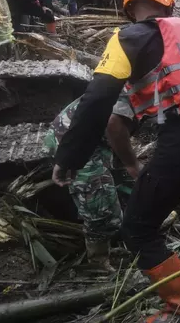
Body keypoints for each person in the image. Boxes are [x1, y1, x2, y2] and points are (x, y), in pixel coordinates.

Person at [50, 0, 180, 322]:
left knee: (137, 228)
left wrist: (70, 156)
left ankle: (179, 307)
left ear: (128, 7)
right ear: (170, 2)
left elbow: (97, 100)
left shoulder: (126, 38)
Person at [43, 94, 140, 271]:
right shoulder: (140, 89)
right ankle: (98, 260)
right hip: (73, 143)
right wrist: (131, 163)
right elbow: (113, 122)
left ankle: (120, 232)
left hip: (98, 139)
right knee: (100, 205)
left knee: (124, 185)